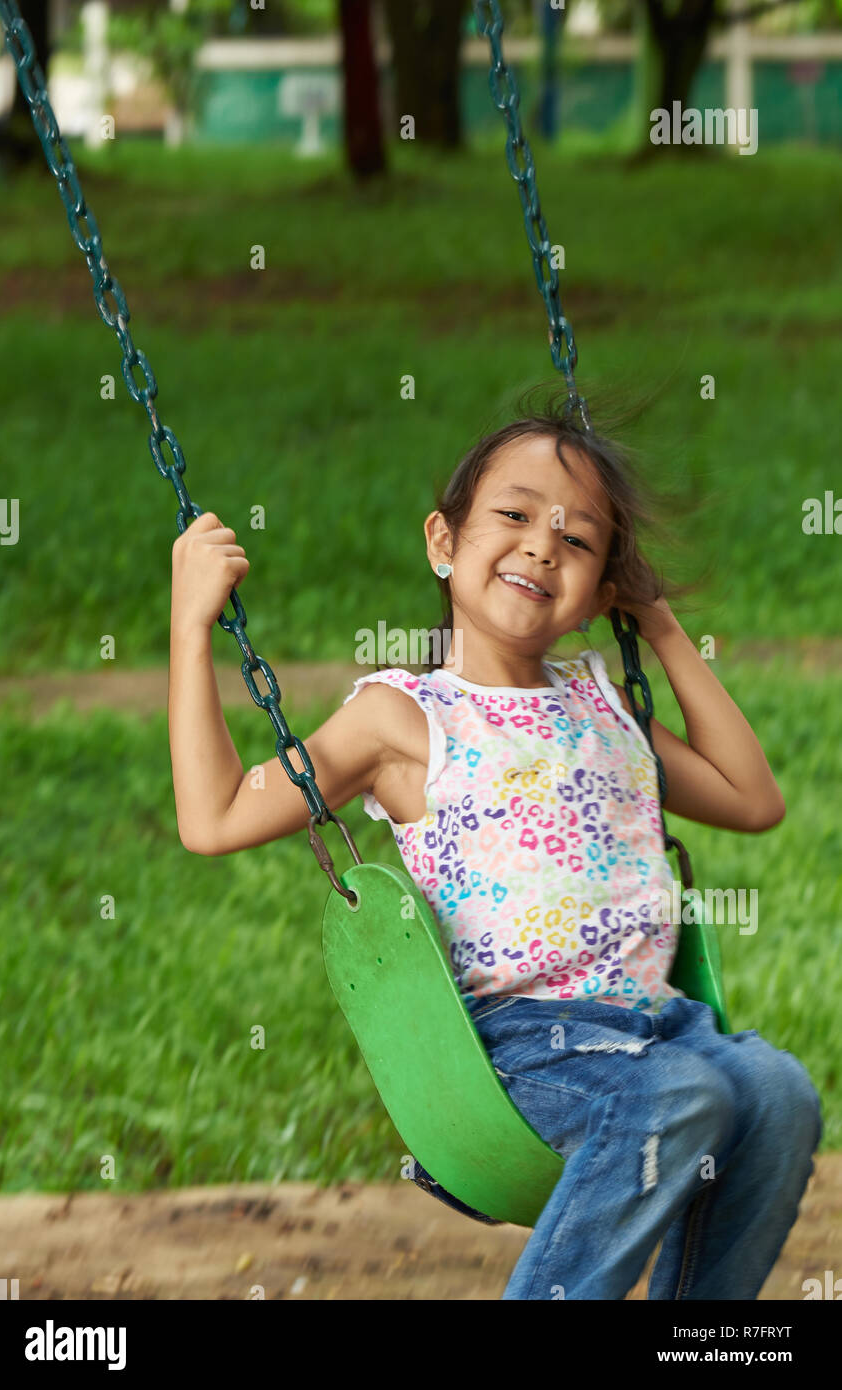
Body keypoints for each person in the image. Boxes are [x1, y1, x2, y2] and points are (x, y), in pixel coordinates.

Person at [168, 389, 822, 1300]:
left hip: (660, 1030)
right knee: (680, 1098)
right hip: (522, 1049)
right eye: (513, 516)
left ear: (602, 590)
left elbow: (751, 799)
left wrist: (662, 625)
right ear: (444, 542)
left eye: (578, 539)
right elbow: (216, 818)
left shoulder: (605, 704)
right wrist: (191, 624)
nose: (541, 546)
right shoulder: (401, 717)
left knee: (778, 1092)